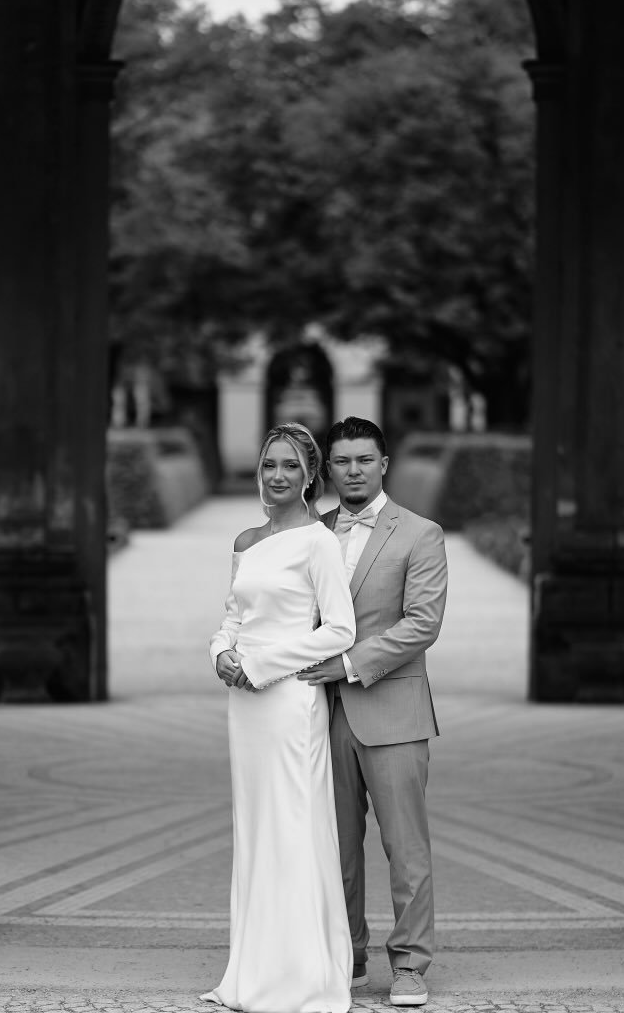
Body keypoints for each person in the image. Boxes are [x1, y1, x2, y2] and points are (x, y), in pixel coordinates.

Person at [202, 422, 356, 1013]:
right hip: (245, 706)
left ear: (311, 476)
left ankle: (300, 975)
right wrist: (221, 652)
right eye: (269, 464)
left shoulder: (320, 542)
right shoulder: (246, 541)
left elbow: (339, 630)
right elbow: (232, 617)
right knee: (254, 829)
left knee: (293, 827)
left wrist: (262, 665)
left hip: (290, 700)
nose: (277, 475)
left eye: (291, 466)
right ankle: (251, 970)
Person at [298, 416, 448, 1008]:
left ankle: (410, 965)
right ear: (327, 470)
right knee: (334, 848)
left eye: (365, 460)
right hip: (319, 713)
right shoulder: (309, 533)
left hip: (393, 710)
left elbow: (422, 624)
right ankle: (348, 956)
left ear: (384, 465)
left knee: (405, 849)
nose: (354, 471)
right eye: (342, 461)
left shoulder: (420, 534)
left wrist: (349, 664)